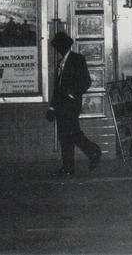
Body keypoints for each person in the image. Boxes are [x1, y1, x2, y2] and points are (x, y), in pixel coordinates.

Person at [46, 32, 101, 177]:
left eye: (59, 46)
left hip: (71, 105)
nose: (58, 49)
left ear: (66, 46)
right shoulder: (60, 63)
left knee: (73, 134)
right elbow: (57, 88)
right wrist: (52, 107)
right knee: (65, 137)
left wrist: (73, 94)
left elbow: (86, 82)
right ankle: (69, 167)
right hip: (60, 106)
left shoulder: (77, 59)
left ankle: (93, 152)